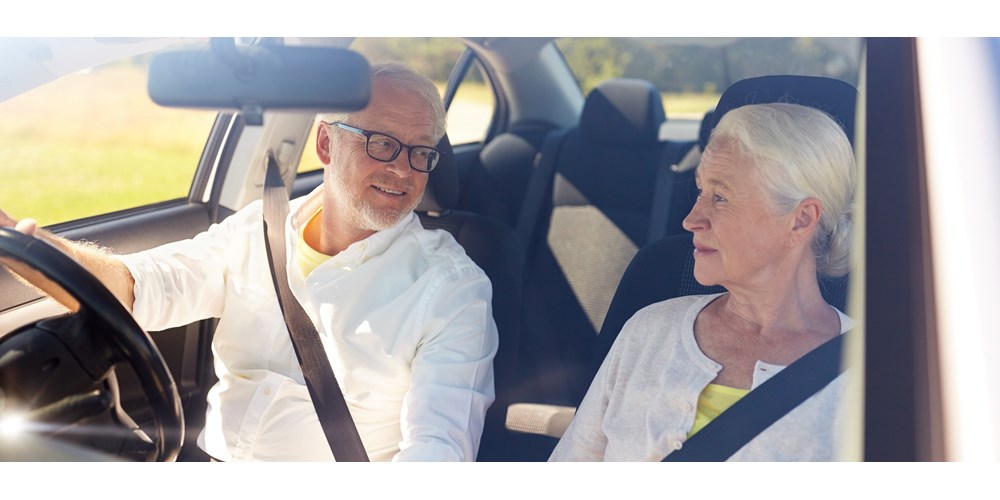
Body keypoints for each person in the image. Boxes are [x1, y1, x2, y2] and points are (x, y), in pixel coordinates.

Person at [0, 63, 499, 462]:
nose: (402, 169)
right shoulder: (259, 228)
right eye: (383, 144)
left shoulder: (453, 289)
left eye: (420, 153)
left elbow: (438, 450)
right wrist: (30, 245)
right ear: (326, 143)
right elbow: (141, 287)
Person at [549, 102, 856, 461]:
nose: (691, 219)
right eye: (700, 192)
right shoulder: (648, 332)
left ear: (801, 220)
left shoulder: (866, 380)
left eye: (721, 198)